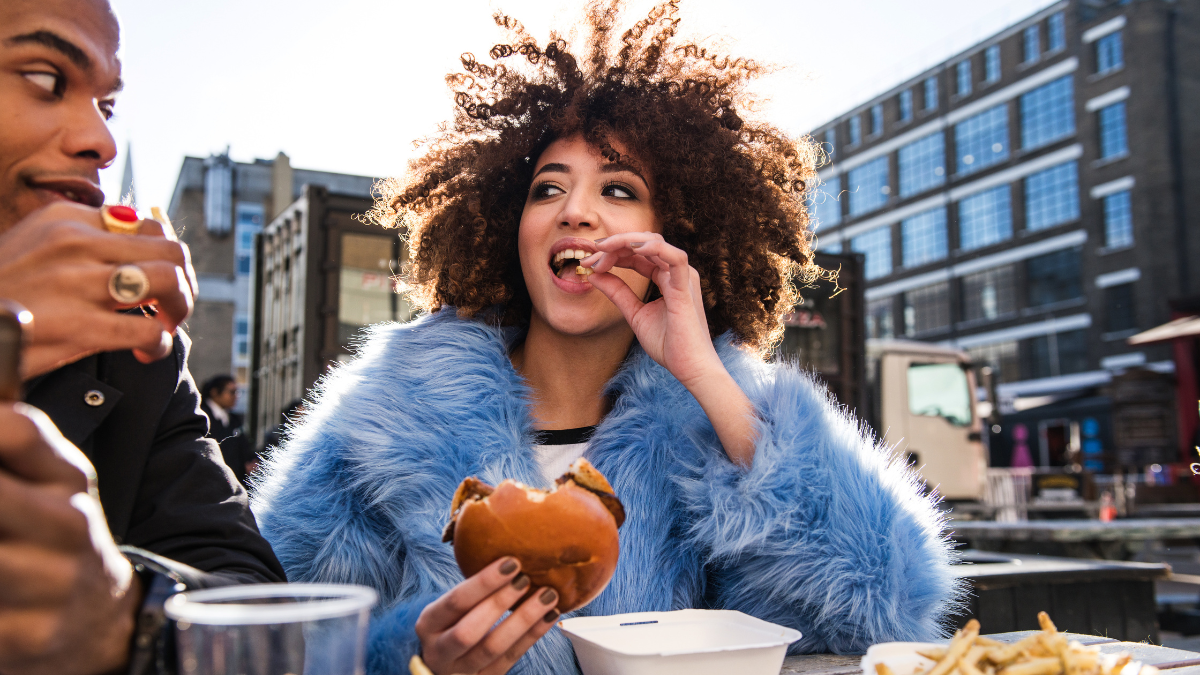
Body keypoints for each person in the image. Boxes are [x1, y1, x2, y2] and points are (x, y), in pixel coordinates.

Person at [252, 3, 960, 674]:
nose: (577, 211)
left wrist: (706, 373)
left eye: (618, 190)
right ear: (510, 227)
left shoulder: (710, 425)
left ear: (676, 235)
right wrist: (410, 654)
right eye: (546, 189)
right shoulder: (388, 417)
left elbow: (877, 616)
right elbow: (267, 633)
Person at [0, 1, 285, 674]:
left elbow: (258, 618)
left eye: (106, 103)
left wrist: (130, 614)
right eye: (44, 79)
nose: (99, 139)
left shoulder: (132, 350)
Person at [200, 374, 253, 485]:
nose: (236, 396)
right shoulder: (202, 417)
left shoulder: (234, 419)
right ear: (214, 392)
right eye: (232, 392)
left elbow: (243, 447)